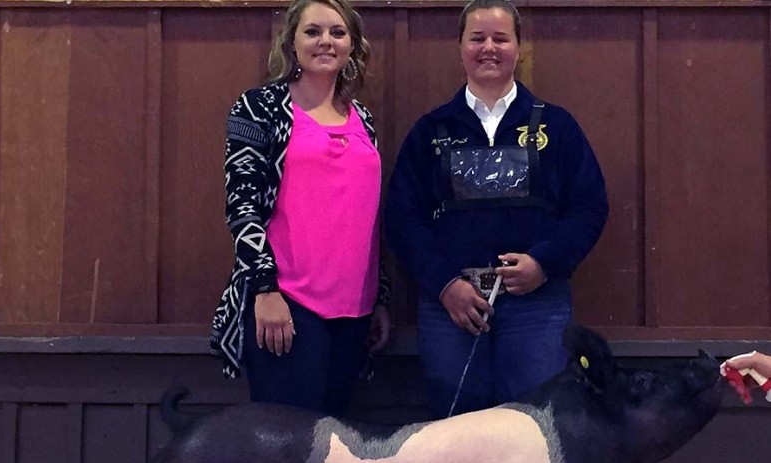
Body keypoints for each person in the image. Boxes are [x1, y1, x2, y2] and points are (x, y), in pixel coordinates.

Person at [385, 0, 608, 419]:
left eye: (500, 38)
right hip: (451, 308)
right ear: (460, 47)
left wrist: (544, 262)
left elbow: (589, 208)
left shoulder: (557, 127)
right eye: (477, 38)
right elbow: (402, 219)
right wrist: (445, 284)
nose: (489, 47)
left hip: (536, 307)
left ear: (518, 47)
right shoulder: (431, 130)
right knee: (455, 433)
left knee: (534, 430)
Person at [210, 0, 391, 417]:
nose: (325, 41)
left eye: (337, 32)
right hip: (287, 306)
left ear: (352, 45)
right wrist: (264, 290)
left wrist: (380, 296)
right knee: (287, 444)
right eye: (312, 32)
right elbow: (242, 204)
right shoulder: (260, 108)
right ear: (291, 42)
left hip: (355, 311)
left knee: (334, 444)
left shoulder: (362, 117)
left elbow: (366, 216)